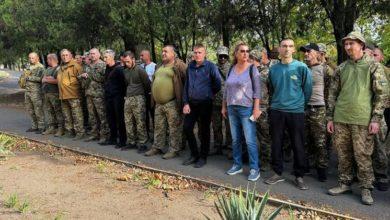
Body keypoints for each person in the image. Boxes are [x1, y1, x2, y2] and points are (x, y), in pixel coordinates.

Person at [327, 31, 388, 205]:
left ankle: (366, 188)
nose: (347, 47)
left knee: (363, 155)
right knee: (343, 153)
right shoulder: (341, 68)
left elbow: (381, 94)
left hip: (363, 119)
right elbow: (332, 94)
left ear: (361, 45)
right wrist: (330, 118)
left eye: (351, 44)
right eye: (345, 44)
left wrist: (376, 119)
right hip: (341, 118)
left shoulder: (373, 66)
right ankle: (344, 183)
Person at [264, 38, 312, 190]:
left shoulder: (301, 67)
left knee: (298, 144)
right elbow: (271, 88)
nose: (286, 48)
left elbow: (308, 89)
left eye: (290, 46)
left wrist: (300, 105)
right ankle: (277, 172)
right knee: (276, 143)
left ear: (294, 49)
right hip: (277, 110)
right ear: (279, 49)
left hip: (296, 111)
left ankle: (299, 175)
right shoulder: (273, 69)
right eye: (284, 46)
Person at [222, 42, 261, 181]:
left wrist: (256, 109)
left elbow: (257, 91)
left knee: (250, 140)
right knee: (235, 139)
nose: (245, 53)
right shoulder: (231, 68)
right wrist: (224, 106)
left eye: (247, 51)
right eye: (242, 51)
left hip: (246, 109)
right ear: (236, 54)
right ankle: (237, 165)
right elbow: (226, 89)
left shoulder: (252, 69)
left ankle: (254, 168)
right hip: (232, 108)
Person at [182, 44, 221, 168]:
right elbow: (186, 86)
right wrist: (186, 103)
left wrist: (208, 94)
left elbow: (218, 84)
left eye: (200, 52)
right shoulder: (190, 67)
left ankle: (203, 157)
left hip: (205, 103)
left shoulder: (211, 67)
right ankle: (194, 154)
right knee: (187, 128)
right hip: (191, 104)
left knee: (204, 130)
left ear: (205, 54)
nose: (197, 55)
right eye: (195, 52)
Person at [144, 45, 187, 159]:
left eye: (166, 51)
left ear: (173, 54)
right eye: (162, 51)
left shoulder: (179, 65)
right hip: (158, 104)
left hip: (172, 103)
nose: (163, 53)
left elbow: (187, 80)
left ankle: (174, 149)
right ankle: (157, 147)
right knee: (158, 126)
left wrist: (184, 100)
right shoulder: (159, 66)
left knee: (174, 128)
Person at [299, 43, 333, 182]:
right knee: (305, 139)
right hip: (304, 108)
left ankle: (321, 169)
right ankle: (305, 165)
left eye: (309, 51)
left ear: (318, 53)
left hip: (320, 109)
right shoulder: (302, 69)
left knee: (320, 141)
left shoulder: (326, 70)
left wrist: (329, 111)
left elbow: (331, 91)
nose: (306, 54)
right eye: (304, 52)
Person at [369, 46, 390, 191]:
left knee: (380, 145)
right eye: (371, 54)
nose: (373, 57)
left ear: (381, 57)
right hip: (365, 111)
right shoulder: (365, 68)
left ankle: (382, 175)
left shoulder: (386, 71)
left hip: (381, 112)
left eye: (375, 55)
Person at [122, 51, 151, 153]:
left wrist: (144, 96)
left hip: (139, 98)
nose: (126, 63)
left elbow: (147, 83)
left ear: (133, 59)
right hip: (128, 98)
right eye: (125, 62)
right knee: (128, 121)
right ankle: (131, 141)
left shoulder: (140, 70)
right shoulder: (125, 71)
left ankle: (143, 143)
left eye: (128, 61)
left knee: (140, 121)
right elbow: (126, 84)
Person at [249, 47, 271, 172]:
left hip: (263, 108)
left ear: (254, 59)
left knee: (264, 136)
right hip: (248, 107)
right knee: (249, 135)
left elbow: (272, 89)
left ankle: (266, 161)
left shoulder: (267, 72)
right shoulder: (248, 71)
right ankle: (250, 158)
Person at [80, 48, 109, 143]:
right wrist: (83, 77)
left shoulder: (102, 65)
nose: (92, 55)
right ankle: (94, 133)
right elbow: (84, 80)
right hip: (89, 93)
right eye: (90, 54)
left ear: (99, 54)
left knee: (102, 116)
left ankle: (104, 135)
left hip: (99, 94)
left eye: (94, 54)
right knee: (92, 116)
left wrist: (90, 74)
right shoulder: (88, 65)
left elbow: (103, 79)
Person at [57, 49, 86, 140]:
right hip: (63, 95)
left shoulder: (76, 66)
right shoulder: (61, 67)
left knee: (77, 115)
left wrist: (80, 94)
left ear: (70, 55)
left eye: (66, 55)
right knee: (67, 115)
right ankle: (70, 131)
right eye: (63, 55)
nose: (65, 57)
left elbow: (82, 81)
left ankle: (80, 132)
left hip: (74, 95)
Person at [100, 49, 127, 147]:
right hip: (108, 96)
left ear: (112, 57)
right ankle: (113, 138)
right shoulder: (107, 68)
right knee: (110, 118)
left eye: (106, 57)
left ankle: (123, 140)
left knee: (120, 118)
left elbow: (124, 83)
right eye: (104, 57)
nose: (104, 59)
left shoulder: (119, 68)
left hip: (118, 97)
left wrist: (123, 95)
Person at [210, 46, 232, 155]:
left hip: (228, 102)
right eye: (220, 56)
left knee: (229, 126)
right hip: (215, 102)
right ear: (217, 56)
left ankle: (229, 146)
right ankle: (218, 146)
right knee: (216, 125)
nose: (222, 58)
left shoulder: (232, 68)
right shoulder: (212, 67)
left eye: (225, 56)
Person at [19, 52, 45, 133]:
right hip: (28, 91)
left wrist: (29, 77)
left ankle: (41, 127)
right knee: (30, 110)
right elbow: (24, 76)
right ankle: (34, 126)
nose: (31, 59)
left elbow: (42, 79)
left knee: (38, 110)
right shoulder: (28, 67)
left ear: (37, 58)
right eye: (30, 58)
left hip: (36, 92)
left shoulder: (40, 67)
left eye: (33, 58)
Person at [41, 53, 64, 136]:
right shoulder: (48, 69)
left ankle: (61, 128)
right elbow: (42, 79)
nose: (47, 61)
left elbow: (58, 81)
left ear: (51, 59)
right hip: (46, 93)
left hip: (54, 93)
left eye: (48, 59)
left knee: (58, 111)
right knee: (49, 111)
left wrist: (47, 80)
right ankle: (51, 128)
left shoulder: (58, 68)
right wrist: (48, 79)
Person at [139, 49, 156, 137]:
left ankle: (156, 134)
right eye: (140, 56)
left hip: (151, 94)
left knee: (153, 114)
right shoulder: (140, 67)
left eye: (142, 55)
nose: (140, 57)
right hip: (142, 94)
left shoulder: (154, 66)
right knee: (143, 115)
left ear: (148, 56)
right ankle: (146, 134)